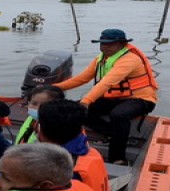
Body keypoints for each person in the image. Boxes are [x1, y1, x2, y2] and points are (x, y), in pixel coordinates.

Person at [54, 29, 158, 165]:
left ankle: (118, 158)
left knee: (119, 115)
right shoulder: (101, 58)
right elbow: (82, 78)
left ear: (122, 44)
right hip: (115, 98)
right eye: (102, 43)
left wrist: (87, 100)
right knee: (75, 110)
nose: (104, 47)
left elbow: (107, 82)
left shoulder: (130, 59)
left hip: (141, 98)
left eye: (109, 44)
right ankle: (112, 132)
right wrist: (55, 87)